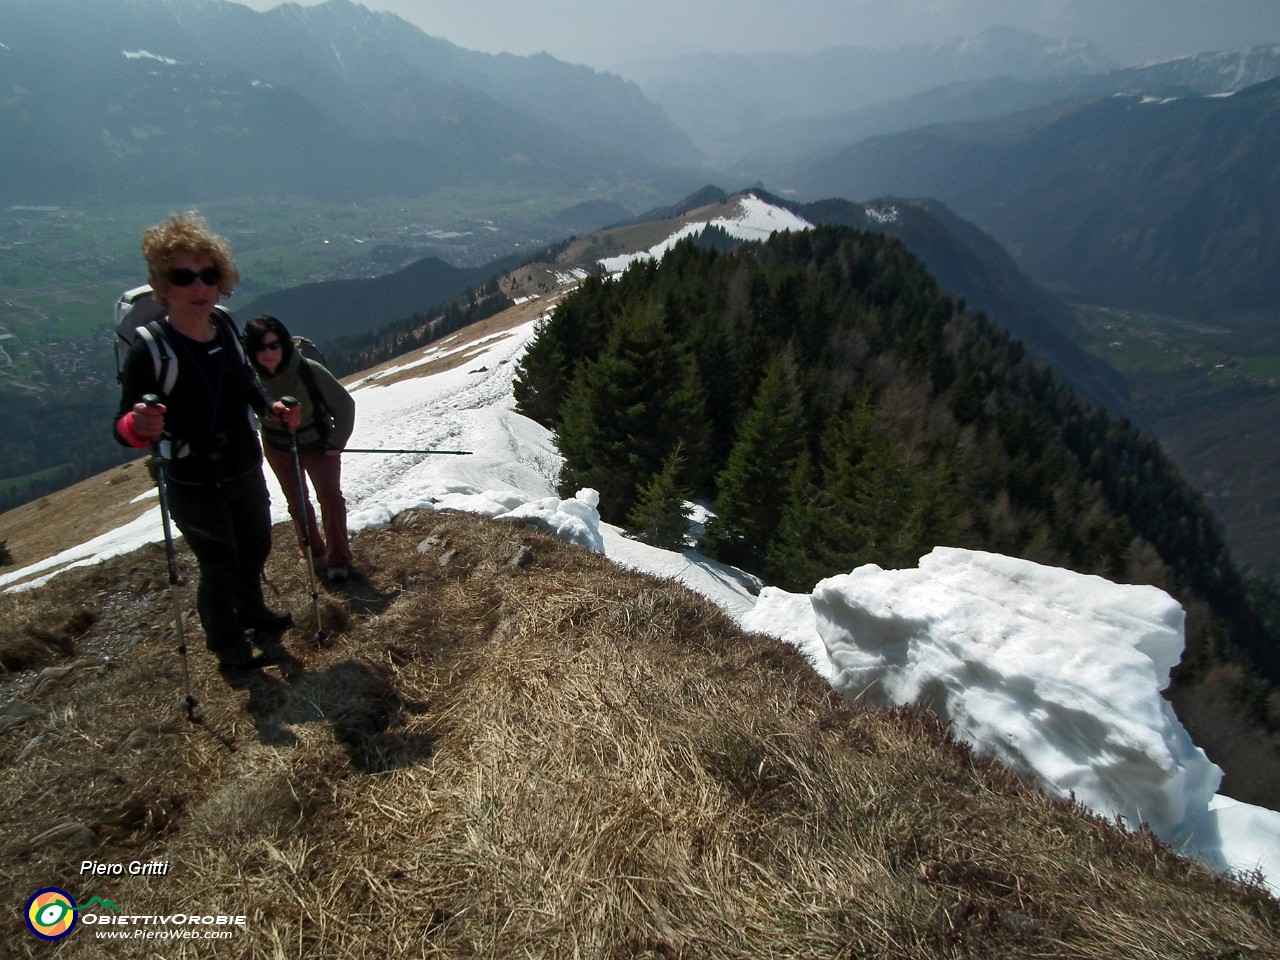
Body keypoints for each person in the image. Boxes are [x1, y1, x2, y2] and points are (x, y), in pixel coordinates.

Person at [114, 212, 300, 673]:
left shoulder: (225, 326)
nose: (199, 285)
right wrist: (140, 426)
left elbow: (243, 382)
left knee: (255, 546)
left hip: (242, 464)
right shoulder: (150, 350)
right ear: (163, 286)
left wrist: (268, 406)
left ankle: (254, 613)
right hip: (193, 478)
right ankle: (228, 647)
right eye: (183, 276)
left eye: (209, 275)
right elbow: (123, 426)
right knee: (219, 565)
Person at [243, 315, 356, 582]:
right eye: (260, 348)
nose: (267, 353)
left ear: (284, 344)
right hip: (278, 447)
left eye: (273, 345)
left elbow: (344, 405)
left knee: (330, 499)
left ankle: (337, 558)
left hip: (318, 445)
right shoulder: (251, 379)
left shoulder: (309, 370)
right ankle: (313, 550)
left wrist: (336, 443)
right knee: (296, 501)